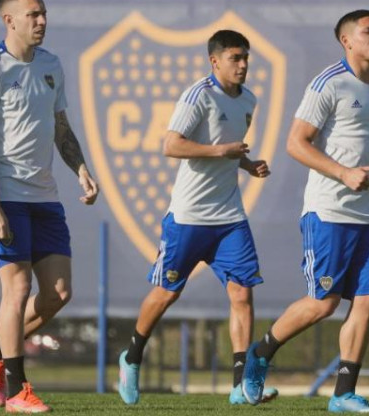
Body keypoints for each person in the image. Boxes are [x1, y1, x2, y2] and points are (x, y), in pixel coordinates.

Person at [241, 9, 369, 413]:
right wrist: (343, 173)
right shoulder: (328, 84)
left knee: (367, 299)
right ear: (347, 41)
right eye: (368, 31)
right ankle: (260, 353)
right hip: (328, 212)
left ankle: (343, 394)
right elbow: (296, 142)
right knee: (324, 303)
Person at [115, 29, 279, 406]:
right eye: (235, 58)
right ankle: (133, 357)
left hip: (230, 217)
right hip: (189, 217)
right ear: (215, 60)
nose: (242, 65)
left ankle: (240, 386)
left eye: (245, 58)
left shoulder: (249, 100)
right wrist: (221, 150)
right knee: (167, 293)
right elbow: (171, 144)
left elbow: (228, 152)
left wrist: (248, 164)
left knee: (242, 293)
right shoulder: (198, 95)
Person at [0, 0, 99, 413]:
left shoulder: (51, 64)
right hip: (3, 196)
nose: (42, 20)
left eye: (43, 13)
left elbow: (61, 126)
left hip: (45, 196)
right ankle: (18, 389)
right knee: (18, 289)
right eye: (32, 15)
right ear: (8, 20)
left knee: (58, 293)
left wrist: (80, 168)